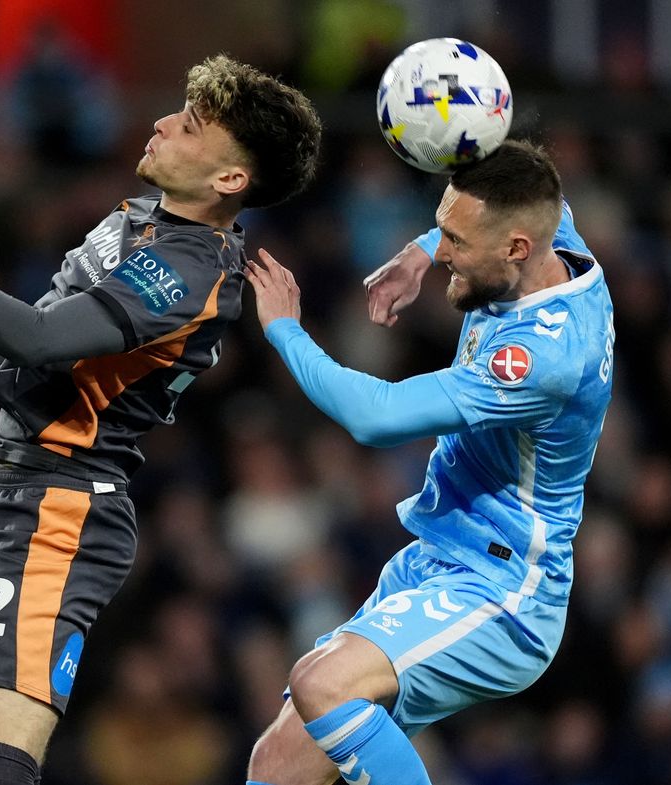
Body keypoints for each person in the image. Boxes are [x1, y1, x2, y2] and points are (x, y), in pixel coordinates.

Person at [0, 55, 321, 785]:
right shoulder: (134, 223)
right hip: (21, 497)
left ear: (230, 180)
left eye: (189, 124)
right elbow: (27, 346)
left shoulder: (193, 272)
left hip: (63, 511)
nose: (161, 123)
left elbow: (36, 341)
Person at [242, 140, 614, 785]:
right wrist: (417, 254)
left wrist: (285, 330)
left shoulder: (542, 358)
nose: (444, 255)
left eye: (454, 244)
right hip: (439, 559)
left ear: (516, 250)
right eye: (440, 230)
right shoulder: (549, 228)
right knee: (278, 763)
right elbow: (514, 202)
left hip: (505, 591)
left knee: (321, 684)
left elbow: (377, 417)